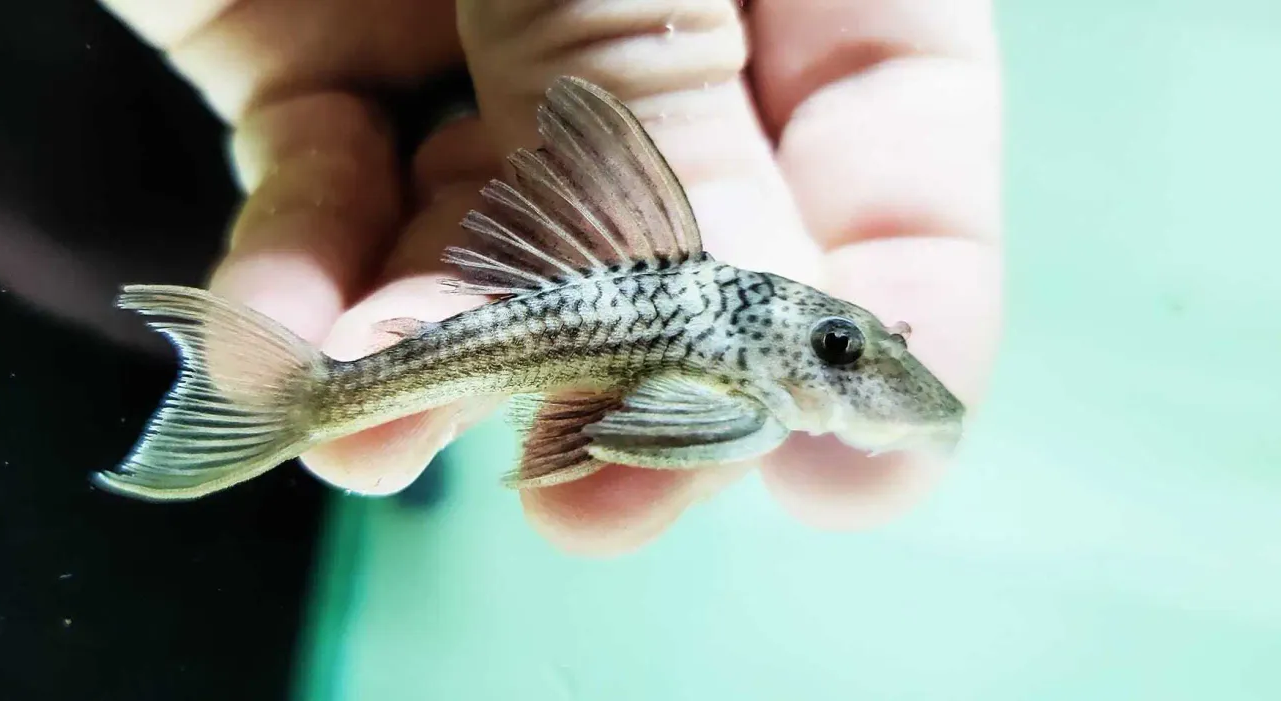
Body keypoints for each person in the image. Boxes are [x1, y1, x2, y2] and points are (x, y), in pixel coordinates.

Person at [106, 0, 1004, 555]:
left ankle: (316, 411)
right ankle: (314, 407)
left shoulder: (744, 399)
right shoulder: (744, 399)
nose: (843, 356)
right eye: (838, 344)